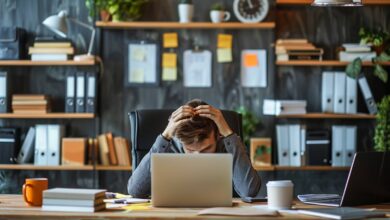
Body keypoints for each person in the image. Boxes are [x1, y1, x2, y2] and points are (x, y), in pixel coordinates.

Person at [127, 99, 261, 198]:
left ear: (218, 135)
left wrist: (228, 133)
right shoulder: (168, 145)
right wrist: (165, 135)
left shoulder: (228, 145)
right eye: (190, 150)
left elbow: (249, 191)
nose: (198, 156)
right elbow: (135, 190)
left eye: (206, 149)